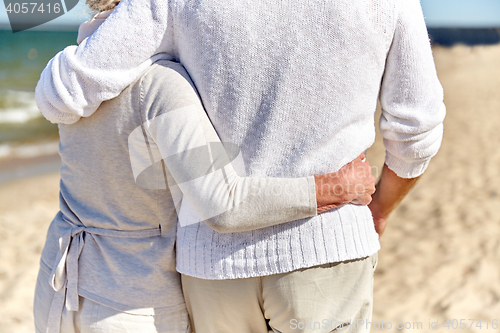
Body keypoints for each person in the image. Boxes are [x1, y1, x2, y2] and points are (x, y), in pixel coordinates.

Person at [35, 0, 446, 331]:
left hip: (213, 267)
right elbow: (416, 129)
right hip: (328, 246)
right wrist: (381, 209)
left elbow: (69, 91)